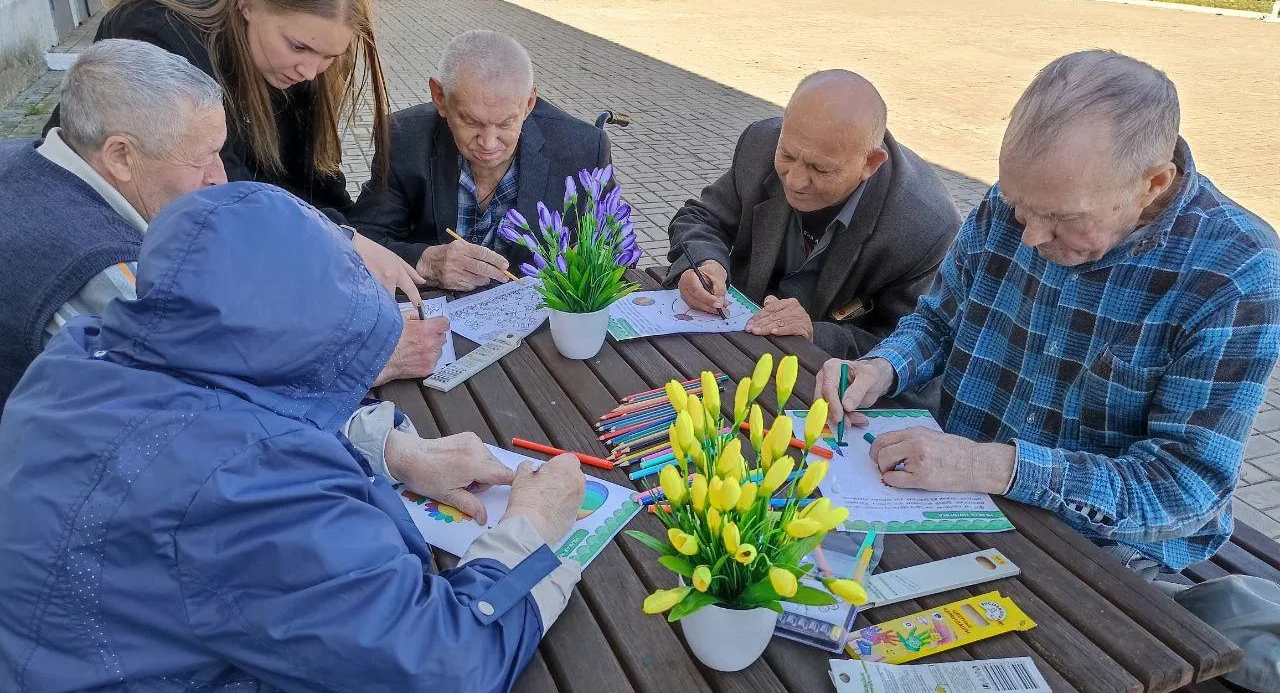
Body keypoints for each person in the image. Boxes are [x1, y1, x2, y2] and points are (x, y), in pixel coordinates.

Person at [0, 182, 587, 692]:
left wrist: (389, 451)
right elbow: (446, 664)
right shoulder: (244, 484)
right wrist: (529, 529)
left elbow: (219, 407)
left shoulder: (81, 356)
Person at [816, 51, 1280, 577]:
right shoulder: (1025, 200)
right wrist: (881, 369)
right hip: (953, 499)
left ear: (1152, 183)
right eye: (1019, 207)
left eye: (1062, 218)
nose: (1031, 236)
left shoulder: (1234, 272)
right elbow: (940, 320)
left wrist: (987, 465)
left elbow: (1184, 487)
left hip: (1103, 546)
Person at [0, 39, 442, 410]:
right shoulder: (106, 270)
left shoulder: (28, 154)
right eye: (201, 158)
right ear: (120, 156)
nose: (220, 176)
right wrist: (367, 359)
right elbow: (211, 407)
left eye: (220, 152)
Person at [43, 0, 423, 300]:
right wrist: (338, 240)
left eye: (329, 56)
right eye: (298, 46)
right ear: (247, 3)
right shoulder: (157, 33)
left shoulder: (294, 63)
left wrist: (390, 250)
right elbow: (219, 189)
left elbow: (313, 181)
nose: (310, 70)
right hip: (103, 247)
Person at [664, 70, 961, 361]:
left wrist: (815, 335)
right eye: (788, 155)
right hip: (734, 341)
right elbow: (700, 218)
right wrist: (706, 262)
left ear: (870, 162)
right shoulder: (760, 144)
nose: (794, 181)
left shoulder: (927, 227)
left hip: (828, 379)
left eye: (820, 169)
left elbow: (915, 342)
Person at [348, 30, 612, 291]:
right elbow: (360, 238)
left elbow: (609, 249)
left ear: (529, 103)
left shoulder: (584, 148)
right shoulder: (404, 136)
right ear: (440, 97)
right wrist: (425, 262)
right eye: (471, 121)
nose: (488, 143)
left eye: (506, 122)